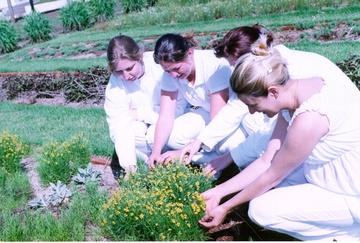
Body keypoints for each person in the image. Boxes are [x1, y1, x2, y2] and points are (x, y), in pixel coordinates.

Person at [198, 40, 360, 241]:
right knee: (280, 183)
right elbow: (268, 160)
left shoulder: (310, 118)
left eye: (253, 104)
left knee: (261, 210)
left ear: (273, 91)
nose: (251, 111)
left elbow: (273, 174)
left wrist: (226, 207)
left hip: (352, 193)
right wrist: (218, 192)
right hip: (336, 180)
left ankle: (348, 236)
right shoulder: (300, 91)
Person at [179, 25, 277, 170]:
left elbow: (265, 131)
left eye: (237, 65)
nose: (235, 70)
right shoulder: (263, 63)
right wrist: (199, 141)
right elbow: (235, 108)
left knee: (250, 122)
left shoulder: (280, 69)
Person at [104, 35, 185, 176]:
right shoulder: (115, 82)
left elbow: (177, 111)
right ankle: (149, 163)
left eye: (129, 68)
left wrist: (140, 114)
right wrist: (130, 169)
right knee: (127, 134)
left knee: (158, 136)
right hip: (145, 127)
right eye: (119, 71)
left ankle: (177, 158)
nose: (126, 76)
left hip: (172, 122)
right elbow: (118, 124)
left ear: (140, 57)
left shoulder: (159, 67)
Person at [147, 33, 232, 167]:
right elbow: (165, 116)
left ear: (190, 53)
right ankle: (199, 155)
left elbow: (218, 118)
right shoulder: (170, 75)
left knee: (225, 145)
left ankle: (208, 162)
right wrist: (155, 152)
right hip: (206, 112)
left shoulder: (214, 66)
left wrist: (183, 151)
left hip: (229, 116)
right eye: (168, 71)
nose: (173, 75)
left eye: (177, 68)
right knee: (155, 138)